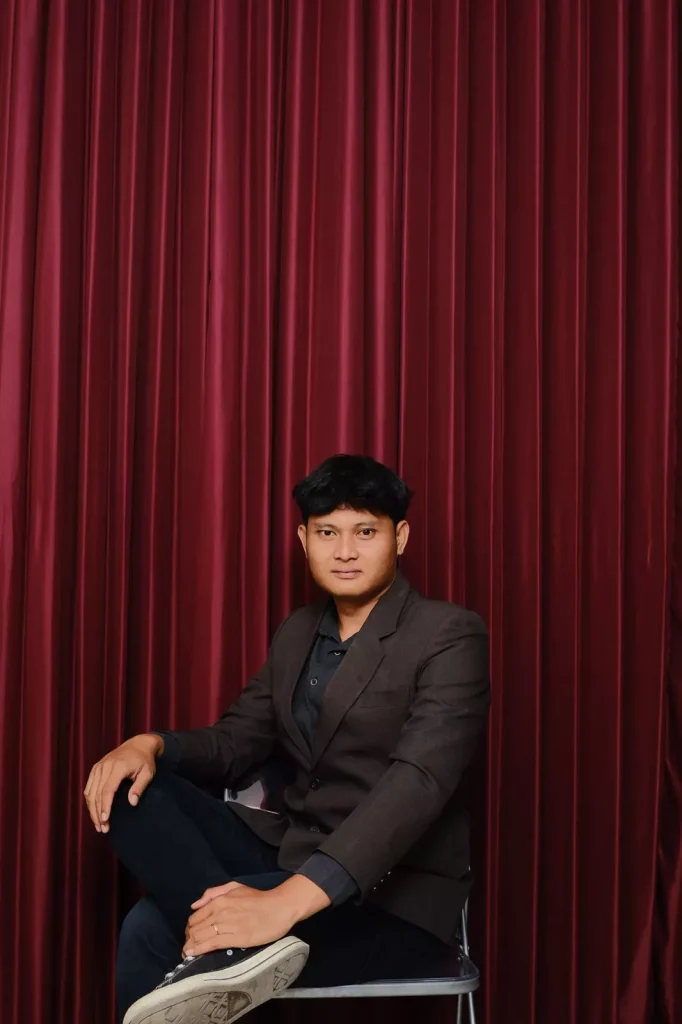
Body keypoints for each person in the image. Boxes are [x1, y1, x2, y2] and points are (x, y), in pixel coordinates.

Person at [84, 454, 490, 1024]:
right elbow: (237, 741)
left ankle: (242, 948)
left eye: (364, 532)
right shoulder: (298, 631)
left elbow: (417, 785)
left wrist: (284, 904)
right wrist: (150, 744)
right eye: (327, 533)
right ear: (304, 540)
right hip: (290, 850)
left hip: (390, 895)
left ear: (399, 537)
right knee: (132, 788)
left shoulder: (449, 633)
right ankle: (242, 952)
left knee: (149, 928)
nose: (344, 551)